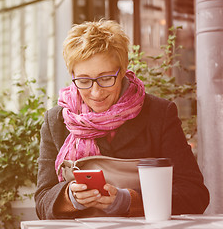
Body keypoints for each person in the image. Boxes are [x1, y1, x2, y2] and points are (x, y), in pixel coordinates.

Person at [34, 19, 209, 219]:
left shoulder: (158, 114)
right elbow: (42, 201)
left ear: (123, 70)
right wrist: (70, 198)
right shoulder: (56, 121)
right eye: (83, 81)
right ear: (72, 75)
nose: (96, 92)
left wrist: (129, 201)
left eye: (106, 78)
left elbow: (195, 194)